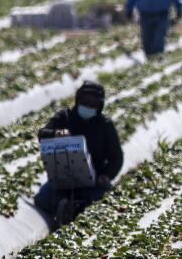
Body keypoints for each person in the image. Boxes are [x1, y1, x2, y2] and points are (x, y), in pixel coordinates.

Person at [34, 80, 123, 219]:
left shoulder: (105, 125)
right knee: (43, 200)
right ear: (78, 100)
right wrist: (56, 133)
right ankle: (61, 212)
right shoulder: (65, 117)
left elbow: (116, 157)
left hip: (93, 182)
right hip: (63, 177)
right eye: (85, 102)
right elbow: (42, 134)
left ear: (99, 106)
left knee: (101, 207)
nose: (88, 106)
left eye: (93, 104)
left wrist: (106, 175)